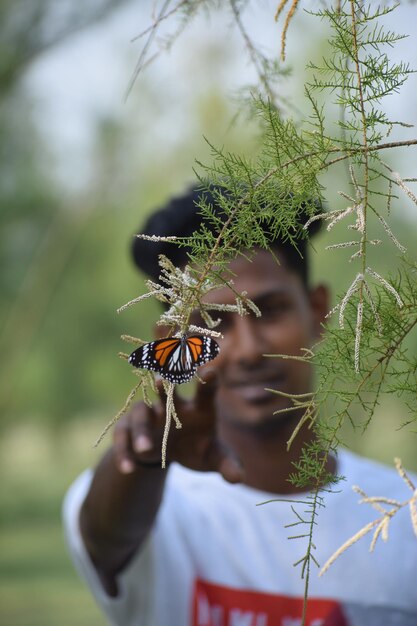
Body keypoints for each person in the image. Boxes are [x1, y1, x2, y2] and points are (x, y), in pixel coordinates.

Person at [63, 187, 417, 626]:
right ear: (173, 344)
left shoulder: (406, 514)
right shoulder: (146, 501)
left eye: (269, 310)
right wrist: (143, 457)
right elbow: (107, 536)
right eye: (213, 323)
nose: (248, 350)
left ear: (319, 311)